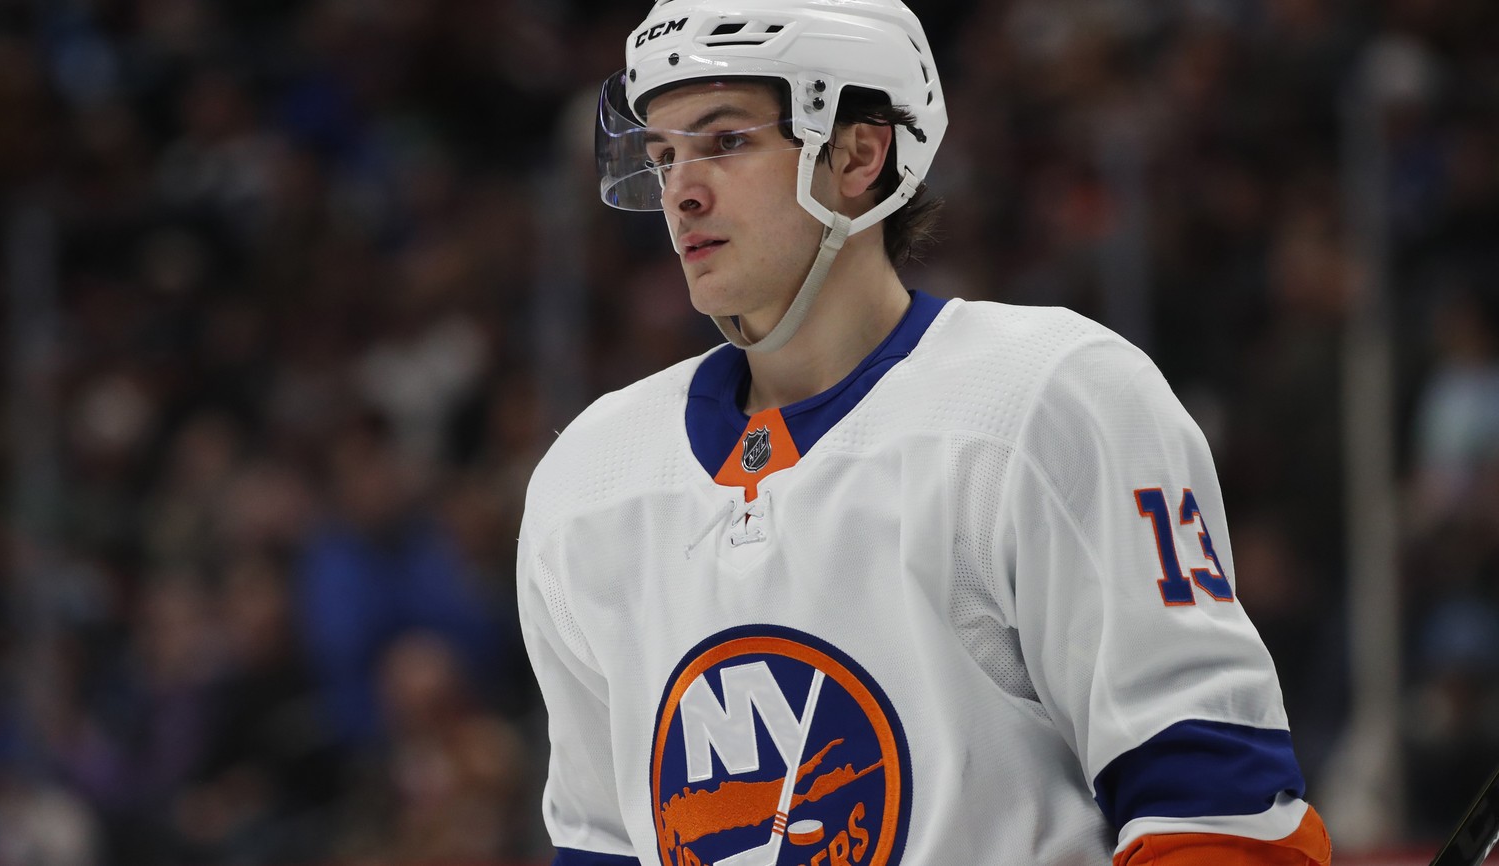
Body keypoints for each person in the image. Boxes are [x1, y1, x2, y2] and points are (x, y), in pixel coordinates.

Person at [518, 1, 1333, 864]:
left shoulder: (1048, 398)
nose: (680, 190)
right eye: (664, 154)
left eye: (725, 142)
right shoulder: (591, 482)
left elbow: (1210, 808)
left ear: (861, 152)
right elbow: (600, 843)